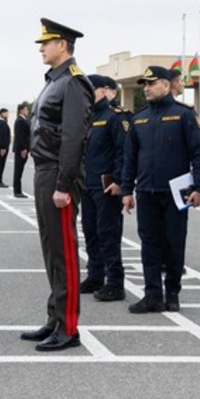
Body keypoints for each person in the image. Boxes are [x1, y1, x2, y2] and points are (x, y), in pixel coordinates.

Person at [20, 19, 94, 352]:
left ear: (62, 44)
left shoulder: (74, 83)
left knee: (64, 251)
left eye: (46, 43)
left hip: (59, 174)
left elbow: (74, 137)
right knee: (51, 248)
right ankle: (55, 317)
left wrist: (63, 183)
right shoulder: (55, 81)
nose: (41, 48)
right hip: (45, 170)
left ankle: (69, 327)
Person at [121, 67, 200, 313]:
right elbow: (130, 159)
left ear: (166, 86)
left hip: (176, 193)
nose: (146, 88)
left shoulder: (183, 115)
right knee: (149, 244)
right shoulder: (138, 118)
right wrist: (127, 191)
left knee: (173, 243)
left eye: (152, 83)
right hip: (147, 191)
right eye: (144, 84)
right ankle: (152, 295)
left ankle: (172, 293)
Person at [81, 75, 127, 301]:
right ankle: (95, 276)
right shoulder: (86, 117)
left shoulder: (114, 117)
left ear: (102, 91)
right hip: (87, 184)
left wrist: (120, 181)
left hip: (106, 186)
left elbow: (123, 152)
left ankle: (115, 283)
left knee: (108, 233)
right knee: (90, 231)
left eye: (90, 88)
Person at [12, 104, 31, 198]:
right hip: (21, 150)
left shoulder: (22, 120)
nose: (27, 111)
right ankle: (17, 191)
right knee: (18, 171)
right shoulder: (20, 121)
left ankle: (18, 190)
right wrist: (23, 148)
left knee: (19, 170)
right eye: (26, 110)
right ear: (22, 110)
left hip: (22, 149)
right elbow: (20, 136)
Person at [0, 108, 11, 188]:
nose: (8, 114)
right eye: (7, 113)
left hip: (0, 146)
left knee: (0, 163)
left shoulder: (0, 123)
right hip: (2, 147)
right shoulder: (2, 124)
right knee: (1, 164)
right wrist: (3, 148)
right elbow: (2, 137)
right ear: (2, 113)